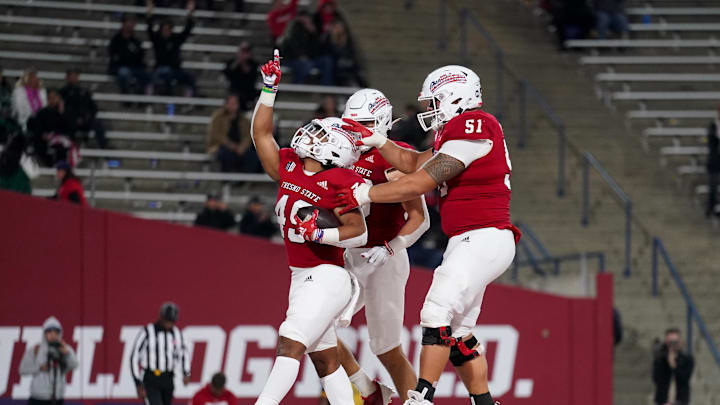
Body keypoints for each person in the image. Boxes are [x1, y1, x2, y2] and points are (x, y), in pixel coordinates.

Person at [336, 65, 521, 405]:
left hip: (483, 236)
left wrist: (368, 194)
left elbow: (422, 180)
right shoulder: (454, 133)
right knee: (460, 333)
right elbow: (411, 161)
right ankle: (484, 402)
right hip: (470, 239)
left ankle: (421, 396)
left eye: (435, 101)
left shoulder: (474, 124)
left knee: (435, 312)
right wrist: (381, 141)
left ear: (456, 97)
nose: (429, 110)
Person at [251, 50, 369, 405]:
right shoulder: (289, 166)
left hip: (327, 274)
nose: (311, 135)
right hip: (301, 274)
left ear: (334, 149)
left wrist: (321, 234)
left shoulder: (339, 179)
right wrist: (268, 90)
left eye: (321, 134)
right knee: (325, 359)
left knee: (290, 340)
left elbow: (358, 230)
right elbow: (261, 134)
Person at [336, 88, 431, 404]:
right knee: (314, 329)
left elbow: (420, 218)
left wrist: (390, 248)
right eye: (350, 123)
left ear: (379, 122)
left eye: (361, 123)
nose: (353, 130)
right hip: (349, 253)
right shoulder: (343, 150)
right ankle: (368, 389)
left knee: (387, 349)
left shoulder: (393, 157)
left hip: (383, 258)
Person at [131, 302, 191, 405]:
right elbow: (134, 357)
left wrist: (186, 372)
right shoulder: (147, 332)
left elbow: (183, 353)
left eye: (171, 322)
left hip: (168, 378)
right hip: (151, 378)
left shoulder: (176, 333)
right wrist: (138, 382)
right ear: (161, 317)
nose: (169, 324)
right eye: (167, 321)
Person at [19, 316, 78, 405]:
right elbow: (22, 370)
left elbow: (74, 365)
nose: (52, 335)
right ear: (44, 333)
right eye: (49, 332)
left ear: (60, 333)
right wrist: (39, 368)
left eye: (55, 332)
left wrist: (67, 354)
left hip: (57, 397)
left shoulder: (65, 348)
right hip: (38, 398)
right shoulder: (36, 349)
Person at [146, 0, 197, 97]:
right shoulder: (157, 39)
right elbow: (149, 28)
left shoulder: (175, 39)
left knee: (190, 77)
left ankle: (190, 100)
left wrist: (190, 13)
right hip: (160, 69)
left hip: (175, 70)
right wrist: (150, 13)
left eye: (168, 29)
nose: (166, 31)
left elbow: (187, 30)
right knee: (165, 73)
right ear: (161, 30)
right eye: (164, 29)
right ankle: (164, 96)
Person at [206, 94, 258, 173]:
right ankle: (227, 179)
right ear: (226, 104)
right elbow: (216, 134)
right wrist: (230, 145)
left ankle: (242, 180)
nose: (232, 106)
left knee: (253, 156)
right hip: (222, 147)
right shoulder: (218, 117)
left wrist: (242, 147)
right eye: (230, 103)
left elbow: (248, 136)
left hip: (240, 148)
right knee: (226, 155)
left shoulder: (244, 120)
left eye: (234, 104)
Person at [281, 10, 333, 86]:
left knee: (327, 61)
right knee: (306, 64)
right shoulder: (293, 29)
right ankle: (296, 85)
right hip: (292, 59)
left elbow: (316, 49)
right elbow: (292, 45)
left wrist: (313, 34)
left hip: (309, 59)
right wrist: (300, 56)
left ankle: (326, 86)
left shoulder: (312, 30)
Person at [59, 69, 108, 149]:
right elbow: (62, 109)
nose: (73, 78)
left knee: (97, 122)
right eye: (71, 76)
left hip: (85, 119)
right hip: (70, 120)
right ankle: (71, 146)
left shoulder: (84, 91)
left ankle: (104, 146)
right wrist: (75, 118)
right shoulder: (62, 92)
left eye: (75, 76)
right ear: (67, 78)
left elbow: (93, 107)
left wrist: (87, 116)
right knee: (68, 122)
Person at [28, 90, 78, 167]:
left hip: (62, 139)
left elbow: (70, 129)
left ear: (59, 98)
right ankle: (48, 165)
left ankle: (61, 168)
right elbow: (38, 127)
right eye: (50, 98)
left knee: (62, 146)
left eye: (54, 97)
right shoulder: (42, 112)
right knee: (38, 144)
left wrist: (62, 113)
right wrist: (43, 135)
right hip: (46, 139)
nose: (52, 100)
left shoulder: (67, 112)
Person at [108, 13, 152, 95]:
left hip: (134, 67)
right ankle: (126, 94)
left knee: (146, 75)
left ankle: (142, 95)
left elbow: (140, 56)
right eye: (128, 23)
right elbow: (114, 55)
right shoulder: (116, 39)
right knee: (123, 72)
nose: (130, 25)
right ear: (123, 24)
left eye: (132, 23)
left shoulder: (135, 41)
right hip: (119, 67)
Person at [653, 328, 694, 405]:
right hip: (662, 400)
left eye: (675, 342)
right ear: (666, 342)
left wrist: (673, 364)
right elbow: (656, 379)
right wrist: (666, 360)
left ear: (680, 342)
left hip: (680, 400)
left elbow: (685, 378)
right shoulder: (660, 359)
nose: (672, 345)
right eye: (670, 342)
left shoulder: (687, 359)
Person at [328, 21, 367, 87]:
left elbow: (352, 54)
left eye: (339, 27)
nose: (338, 30)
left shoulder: (348, 40)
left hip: (348, 67)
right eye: (336, 27)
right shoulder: (328, 40)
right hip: (337, 69)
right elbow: (331, 53)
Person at [223, 42, 259, 111]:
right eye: (242, 51)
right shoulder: (231, 62)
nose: (244, 54)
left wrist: (244, 63)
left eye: (246, 51)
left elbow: (251, 76)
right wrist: (239, 60)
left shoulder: (253, 64)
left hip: (248, 91)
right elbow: (228, 73)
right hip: (235, 90)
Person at [706, 106, 720, 217]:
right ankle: (711, 208)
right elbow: (712, 143)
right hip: (715, 163)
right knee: (713, 186)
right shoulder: (713, 126)